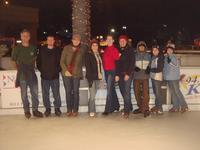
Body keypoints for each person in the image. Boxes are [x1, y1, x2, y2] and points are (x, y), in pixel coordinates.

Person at [11, 29, 43, 119]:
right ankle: (27, 111)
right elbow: (13, 61)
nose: (25, 37)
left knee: (35, 93)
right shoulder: (17, 48)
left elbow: (35, 59)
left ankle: (35, 110)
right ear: (21, 37)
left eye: (27, 36)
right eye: (23, 36)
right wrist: (19, 69)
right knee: (24, 94)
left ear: (29, 37)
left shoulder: (33, 47)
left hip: (32, 73)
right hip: (22, 74)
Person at [60, 34, 87, 117]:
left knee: (75, 92)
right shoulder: (66, 48)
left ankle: (75, 110)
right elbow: (62, 61)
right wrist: (65, 70)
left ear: (79, 41)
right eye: (74, 39)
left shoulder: (82, 49)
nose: (76, 41)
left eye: (78, 40)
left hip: (76, 74)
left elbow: (84, 60)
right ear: (72, 40)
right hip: (66, 74)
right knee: (68, 92)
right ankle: (69, 109)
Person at [37, 35, 62, 117]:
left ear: (54, 41)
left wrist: (57, 71)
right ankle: (48, 109)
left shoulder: (58, 50)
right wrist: (42, 71)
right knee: (45, 94)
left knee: (56, 94)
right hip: (44, 77)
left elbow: (61, 62)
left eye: (52, 39)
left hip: (55, 76)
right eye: (49, 40)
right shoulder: (42, 49)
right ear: (46, 41)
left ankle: (57, 108)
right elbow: (38, 62)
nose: (50, 41)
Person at [163, 43, 188, 113]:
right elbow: (164, 67)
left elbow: (175, 64)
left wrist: (169, 59)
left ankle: (184, 106)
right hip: (168, 77)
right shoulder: (165, 57)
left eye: (171, 50)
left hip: (174, 77)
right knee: (173, 93)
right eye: (168, 49)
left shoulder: (174, 57)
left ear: (173, 51)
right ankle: (176, 107)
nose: (169, 51)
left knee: (177, 92)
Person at [115, 35, 135, 118]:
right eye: (120, 41)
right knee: (123, 91)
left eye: (123, 41)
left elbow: (132, 63)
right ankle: (129, 106)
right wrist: (116, 74)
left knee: (126, 92)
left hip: (128, 74)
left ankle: (127, 111)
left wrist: (128, 74)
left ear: (126, 42)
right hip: (120, 74)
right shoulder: (118, 50)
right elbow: (117, 63)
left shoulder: (130, 50)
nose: (122, 42)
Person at [102, 35, 120, 115]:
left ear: (113, 41)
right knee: (111, 89)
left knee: (109, 89)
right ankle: (116, 106)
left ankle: (108, 109)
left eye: (110, 39)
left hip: (112, 71)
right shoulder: (105, 49)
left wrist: (117, 74)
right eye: (107, 39)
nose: (109, 40)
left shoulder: (115, 49)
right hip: (106, 71)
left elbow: (117, 61)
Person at [85, 39, 103, 117]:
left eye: (96, 45)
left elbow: (101, 66)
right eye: (93, 45)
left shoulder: (99, 54)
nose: (95, 47)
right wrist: (90, 80)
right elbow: (88, 68)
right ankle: (92, 110)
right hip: (91, 78)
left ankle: (90, 109)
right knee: (92, 95)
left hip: (98, 77)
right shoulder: (88, 54)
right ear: (91, 46)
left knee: (93, 95)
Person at [133, 41, 151, 117]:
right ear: (138, 47)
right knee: (137, 93)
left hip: (145, 77)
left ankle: (146, 109)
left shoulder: (148, 55)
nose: (141, 47)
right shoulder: (135, 55)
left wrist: (149, 68)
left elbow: (151, 63)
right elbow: (131, 63)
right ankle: (141, 108)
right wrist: (134, 67)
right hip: (136, 76)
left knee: (145, 93)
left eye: (143, 46)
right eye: (140, 46)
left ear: (145, 47)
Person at [149, 45, 164, 114]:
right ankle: (157, 106)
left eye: (156, 50)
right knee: (156, 93)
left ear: (158, 51)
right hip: (153, 77)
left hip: (157, 77)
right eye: (153, 50)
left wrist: (150, 69)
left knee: (158, 93)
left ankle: (160, 108)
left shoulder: (160, 57)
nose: (154, 51)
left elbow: (159, 69)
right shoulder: (152, 57)